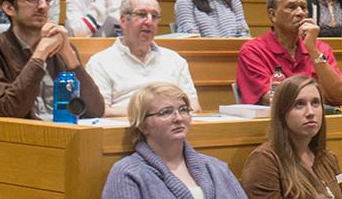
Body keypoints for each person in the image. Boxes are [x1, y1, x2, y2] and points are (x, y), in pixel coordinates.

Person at [0, 0, 104, 120]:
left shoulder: (61, 48)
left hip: (62, 135)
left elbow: (95, 111)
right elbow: (9, 110)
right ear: (9, 8)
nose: (42, 6)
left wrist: (70, 57)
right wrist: (39, 55)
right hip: (16, 138)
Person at [102, 83, 244, 199]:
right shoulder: (127, 173)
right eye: (166, 112)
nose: (178, 118)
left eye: (183, 110)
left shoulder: (216, 167)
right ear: (143, 126)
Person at [86, 0, 201, 116]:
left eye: (155, 16)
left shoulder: (175, 60)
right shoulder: (100, 62)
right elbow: (101, 111)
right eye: (141, 14)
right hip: (125, 130)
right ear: (123, 21)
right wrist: (151, 115)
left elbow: (194, 106)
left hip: (171, 129)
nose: (149, 21)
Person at [235, 0, 342, 106]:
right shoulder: (253, 51)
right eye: (291, 7)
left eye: (303, 7)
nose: (300, 13)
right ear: (273, 15)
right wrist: (317, 96)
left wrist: (313, 51)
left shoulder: (320, 49)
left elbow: (339, 96)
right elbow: (273, 99)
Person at [240, 76, 342, 199]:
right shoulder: (264, 161)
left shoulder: (328, 158)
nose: (310, 112)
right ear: (282, 113)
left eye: (315, 103)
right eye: (299, 104)